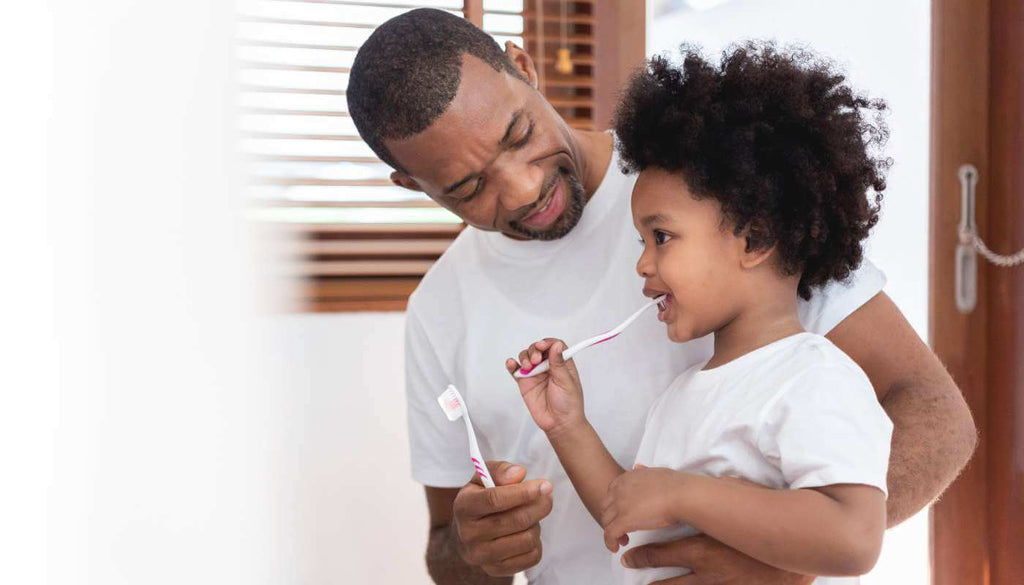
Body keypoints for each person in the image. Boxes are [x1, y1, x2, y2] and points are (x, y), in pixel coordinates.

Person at [345, 8, 976, 585]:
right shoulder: (436, 312)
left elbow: (934, 413)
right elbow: (475, 543)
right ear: (411, 183)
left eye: (517, 135)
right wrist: (472, 548)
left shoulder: (716, 182)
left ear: (526, 67)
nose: (522, 189)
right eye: (468, 185)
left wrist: (779, 553)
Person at [508, 43, 893, 585]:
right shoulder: (686, 393)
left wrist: (682, 493)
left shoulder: (814, 378)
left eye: (660, 236)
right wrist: (567, 425)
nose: (642, 263)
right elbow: (632, 514)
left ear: (755, 238)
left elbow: (853, 540)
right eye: (641, 239)